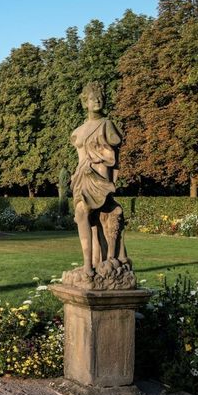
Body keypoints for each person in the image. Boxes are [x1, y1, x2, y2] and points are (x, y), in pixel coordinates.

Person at [70, 82, 128, 279]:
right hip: (81, 177)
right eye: (93, 98)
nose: (97, 100)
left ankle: (102, 261)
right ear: (85, 102)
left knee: (101, 215)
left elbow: (113, 150)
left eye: (100, 97)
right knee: (82, 215)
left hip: (99, 177)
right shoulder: (77, 131)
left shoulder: (107, 125)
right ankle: (88, 263)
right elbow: (80, 156)